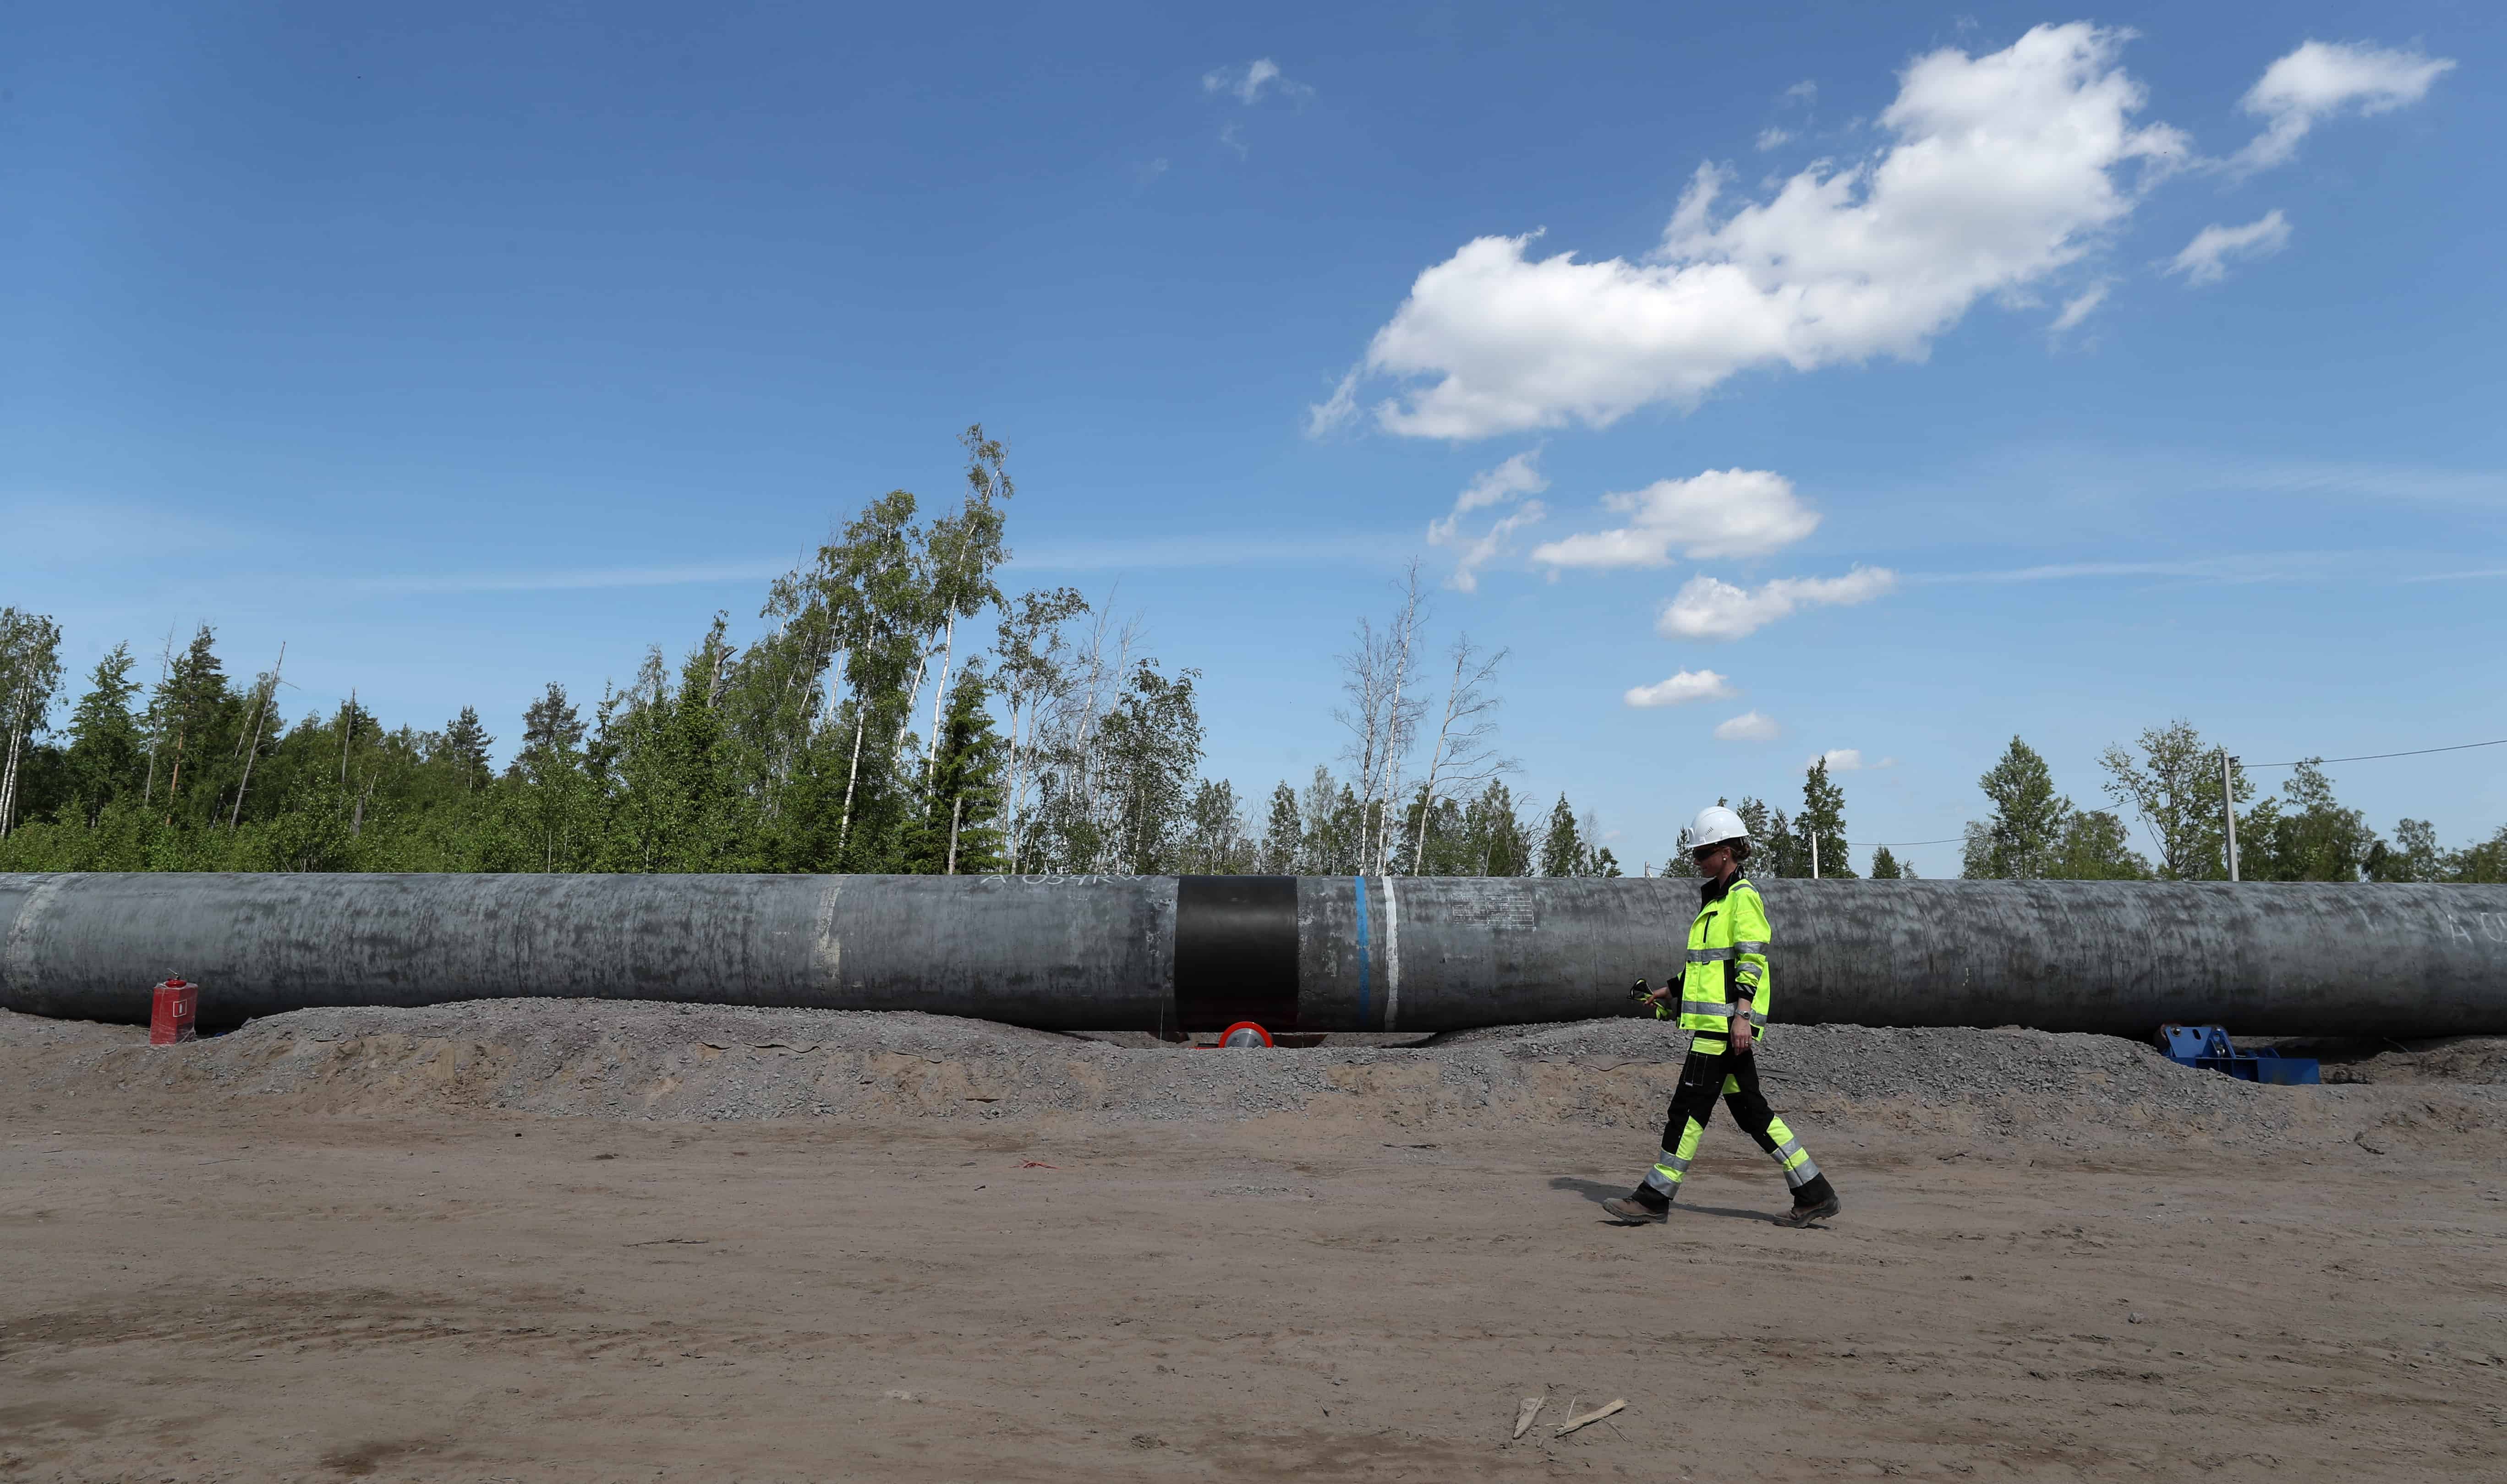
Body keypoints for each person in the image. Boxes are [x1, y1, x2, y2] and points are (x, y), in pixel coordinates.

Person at [1602, 805, 1842, 1228]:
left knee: (1687, 1111)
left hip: (1723, 1028)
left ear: (1726, 852)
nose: (1697, 861)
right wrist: (1669, 991)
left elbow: (1751, 961)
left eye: (1702, 853)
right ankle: (1814, 1193)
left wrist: (1742, 1017)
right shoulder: (1717, 900)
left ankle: (1654, 1197)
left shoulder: (1742, 898)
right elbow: (1707, 968)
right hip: (1721, 1027)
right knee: (1752, 1113)